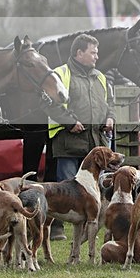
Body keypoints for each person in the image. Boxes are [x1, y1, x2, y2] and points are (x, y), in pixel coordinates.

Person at [45, 34, 115, 241]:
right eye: (92, 52)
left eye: (97, 52)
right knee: (65, 188)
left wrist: (110, 117)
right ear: (79, 53)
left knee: (95, 188)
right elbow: (50, 104)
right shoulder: (60, 74)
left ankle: (89, 227)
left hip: (94, 143)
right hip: (69, 142)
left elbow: (108, 103)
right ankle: (56, 227)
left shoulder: (100, 77)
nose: (96, 56)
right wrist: (69, 122)